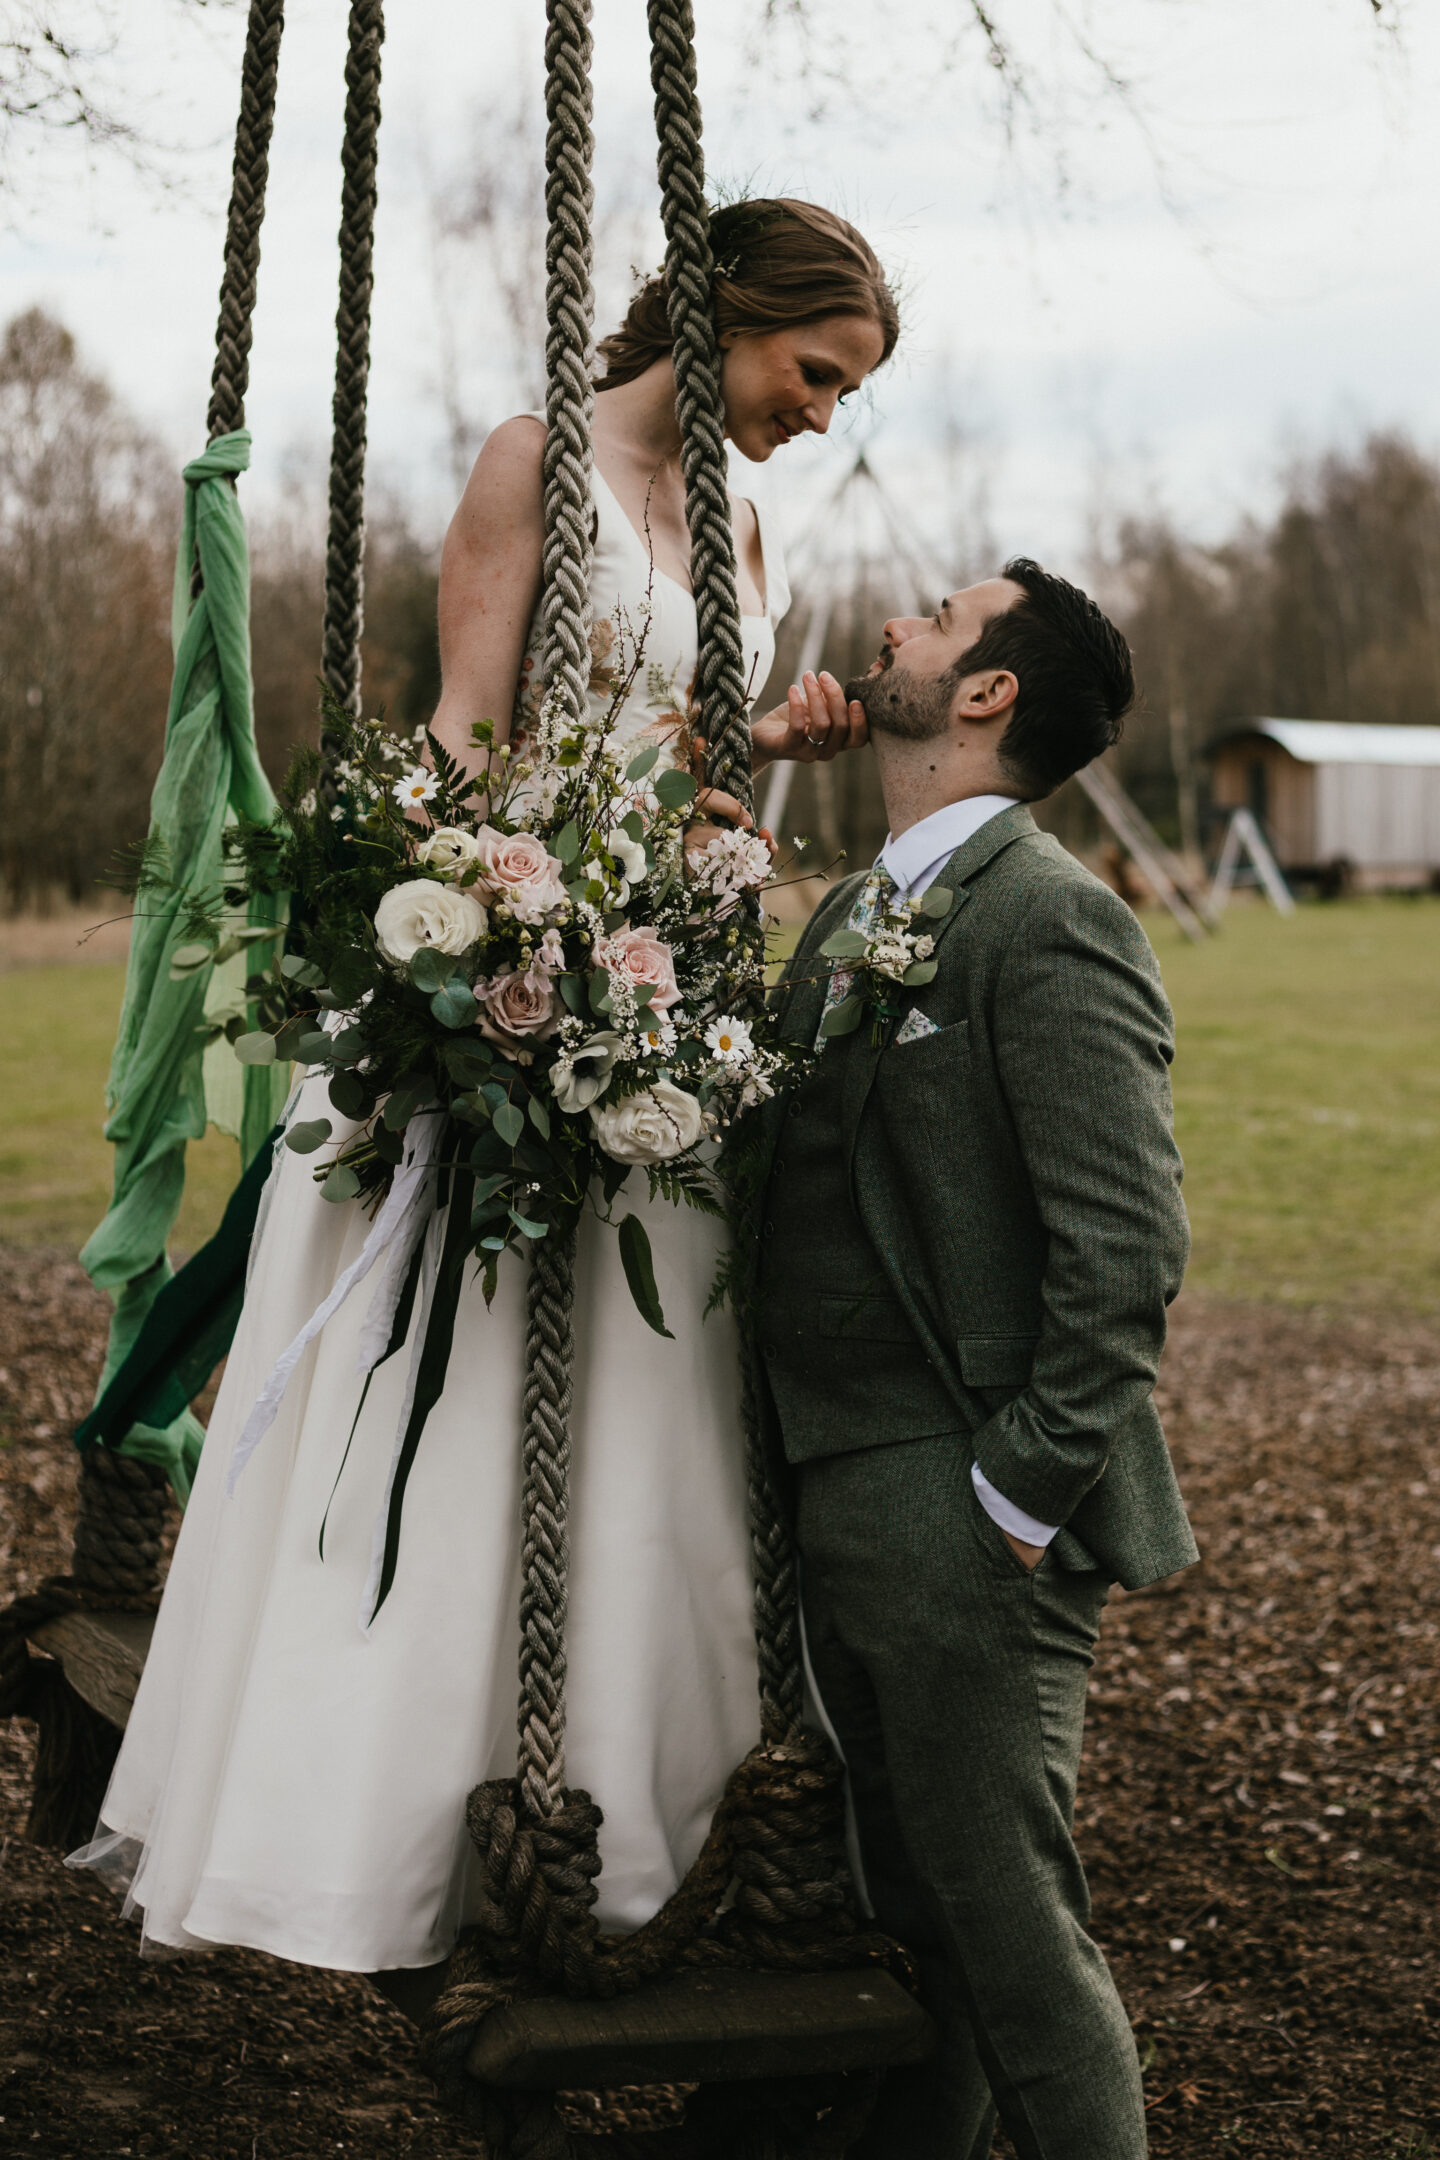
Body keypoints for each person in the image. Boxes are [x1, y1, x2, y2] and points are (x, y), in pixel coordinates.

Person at [71, 199, 896, 1981]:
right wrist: (448, 934)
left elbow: (669, 757)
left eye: (841, 397)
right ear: (727, 313)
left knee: (644, 1405)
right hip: (497, 989)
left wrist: (755, 764)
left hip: (648, 1016)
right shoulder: (540, 456)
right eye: (811, 373)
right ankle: (370, 1818)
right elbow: (467, 721)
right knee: (448, 1413)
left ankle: (622, 1817)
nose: (819, 416)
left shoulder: (747, 523)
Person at [751, 560, 1195, 2158]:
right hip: (837, 1494)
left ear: (991, 689)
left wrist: (1009, 1498)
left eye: (936, 618)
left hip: (964, 1518)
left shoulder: (1053, 918)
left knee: (1011, 1934)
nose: (892, 627)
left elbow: (1125, 1254)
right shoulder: (866, 910)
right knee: (920, 1928)